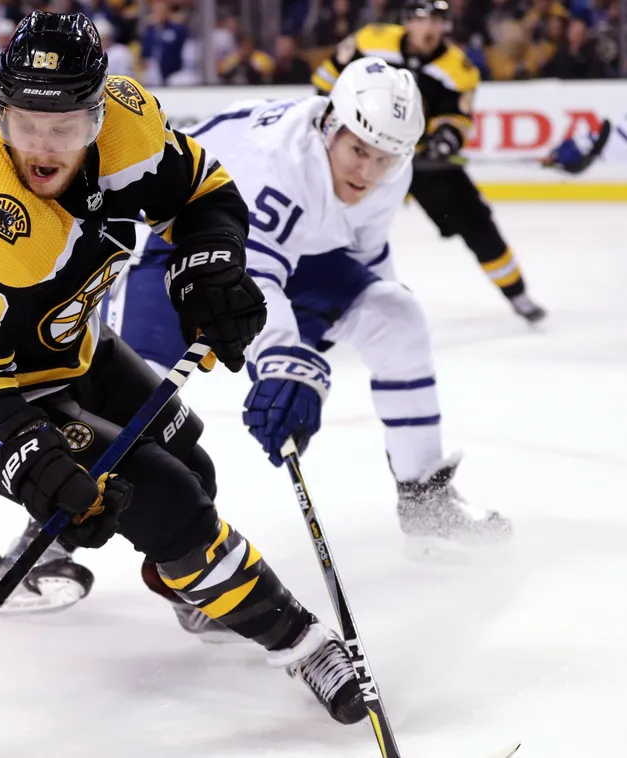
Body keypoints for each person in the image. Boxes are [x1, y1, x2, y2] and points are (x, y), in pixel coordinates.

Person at [0, 10, 367, 725]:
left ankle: (96, 561)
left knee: (188, 457)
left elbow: (203, 190)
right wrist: (26, 454)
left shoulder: (130, 122)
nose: (40, 145)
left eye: (63, 124)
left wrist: (208, 261)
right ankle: (302, 645)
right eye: (23, 122)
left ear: (97, 114)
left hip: (64, 343)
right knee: (160, 496)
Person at [110, 57, 513, 586]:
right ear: (329, 124)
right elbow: (246, 281)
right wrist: (282, 362)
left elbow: (363, 258)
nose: (367, 171)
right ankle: (48, 536)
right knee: (134, 400)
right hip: (175, 246)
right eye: (358, 151)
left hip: (284, 255)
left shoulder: (389, 166)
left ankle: (425, 502)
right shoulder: (276, 164)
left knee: (398, 317)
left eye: (385, 158)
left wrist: (319, 345)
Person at [313, 0, 547, 323]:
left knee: (474, 219)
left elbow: (457, 117)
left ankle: (517, 293)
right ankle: (319, 302)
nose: (431, 29)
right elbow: (326, 81)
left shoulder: (458, 68)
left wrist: (445, 137)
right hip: (363, 155)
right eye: (424, 20)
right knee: (335, 224)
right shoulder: (371, 41)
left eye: (439, 21)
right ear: (408, 21)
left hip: (422, 162)